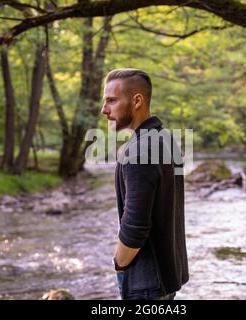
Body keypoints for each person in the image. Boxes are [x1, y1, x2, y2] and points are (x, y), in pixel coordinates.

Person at [101, 68, 189, 300]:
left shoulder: (139, 151)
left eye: (112, 100)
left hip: (146, 284)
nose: (104, 110)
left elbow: (136, 226)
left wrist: (119, 264)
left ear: (137, 100)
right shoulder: (165, 138)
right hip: (167, 278)